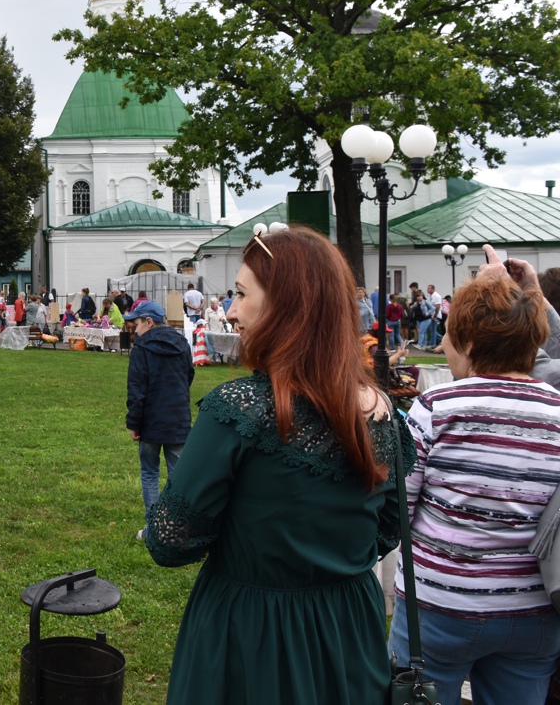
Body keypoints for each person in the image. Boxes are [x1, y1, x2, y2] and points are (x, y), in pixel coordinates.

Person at [145, 225, 407, 704]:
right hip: (348, 629)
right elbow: (388, 527)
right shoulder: (380, 411)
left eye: (242, 294)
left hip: (252, 634)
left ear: (287, 306)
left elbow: (169, 542)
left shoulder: (238, 410)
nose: (231, 310)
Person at [390, 252, 560, 705]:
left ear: (467, 342)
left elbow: (397, 510)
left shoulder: (437, 408)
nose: (443, 347)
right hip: (536, 611)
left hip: (441, 609)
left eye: (447, 337)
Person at [125, 300, 193, 540]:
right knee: (178, 476)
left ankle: (156, 529)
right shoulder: (182, 344)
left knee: (150, 473)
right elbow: (188, 376)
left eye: (136, 323)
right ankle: (176, 528)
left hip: (151, 421)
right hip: (178, 419)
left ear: (149, 322)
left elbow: (136, 390)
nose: (134, 328)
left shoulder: (142, 349)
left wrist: (134, 423)